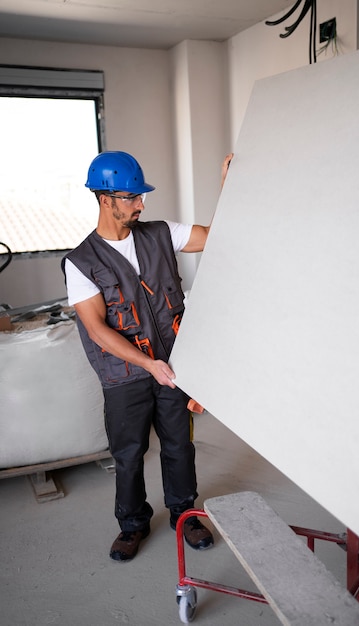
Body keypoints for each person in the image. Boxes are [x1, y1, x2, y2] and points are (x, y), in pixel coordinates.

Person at [62, 150, 233, 562]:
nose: (141, 204)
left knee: (179, 445)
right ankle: (133, 523)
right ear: (105, 199)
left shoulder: (160, 233)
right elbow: (98, 330)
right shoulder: (81, 262)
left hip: (174, 364)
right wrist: (146, 364)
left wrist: (232, 185)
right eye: (131, 197)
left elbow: (217, 235)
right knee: (128, 452)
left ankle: (184, 514)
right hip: (124, 375)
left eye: (141, 196)